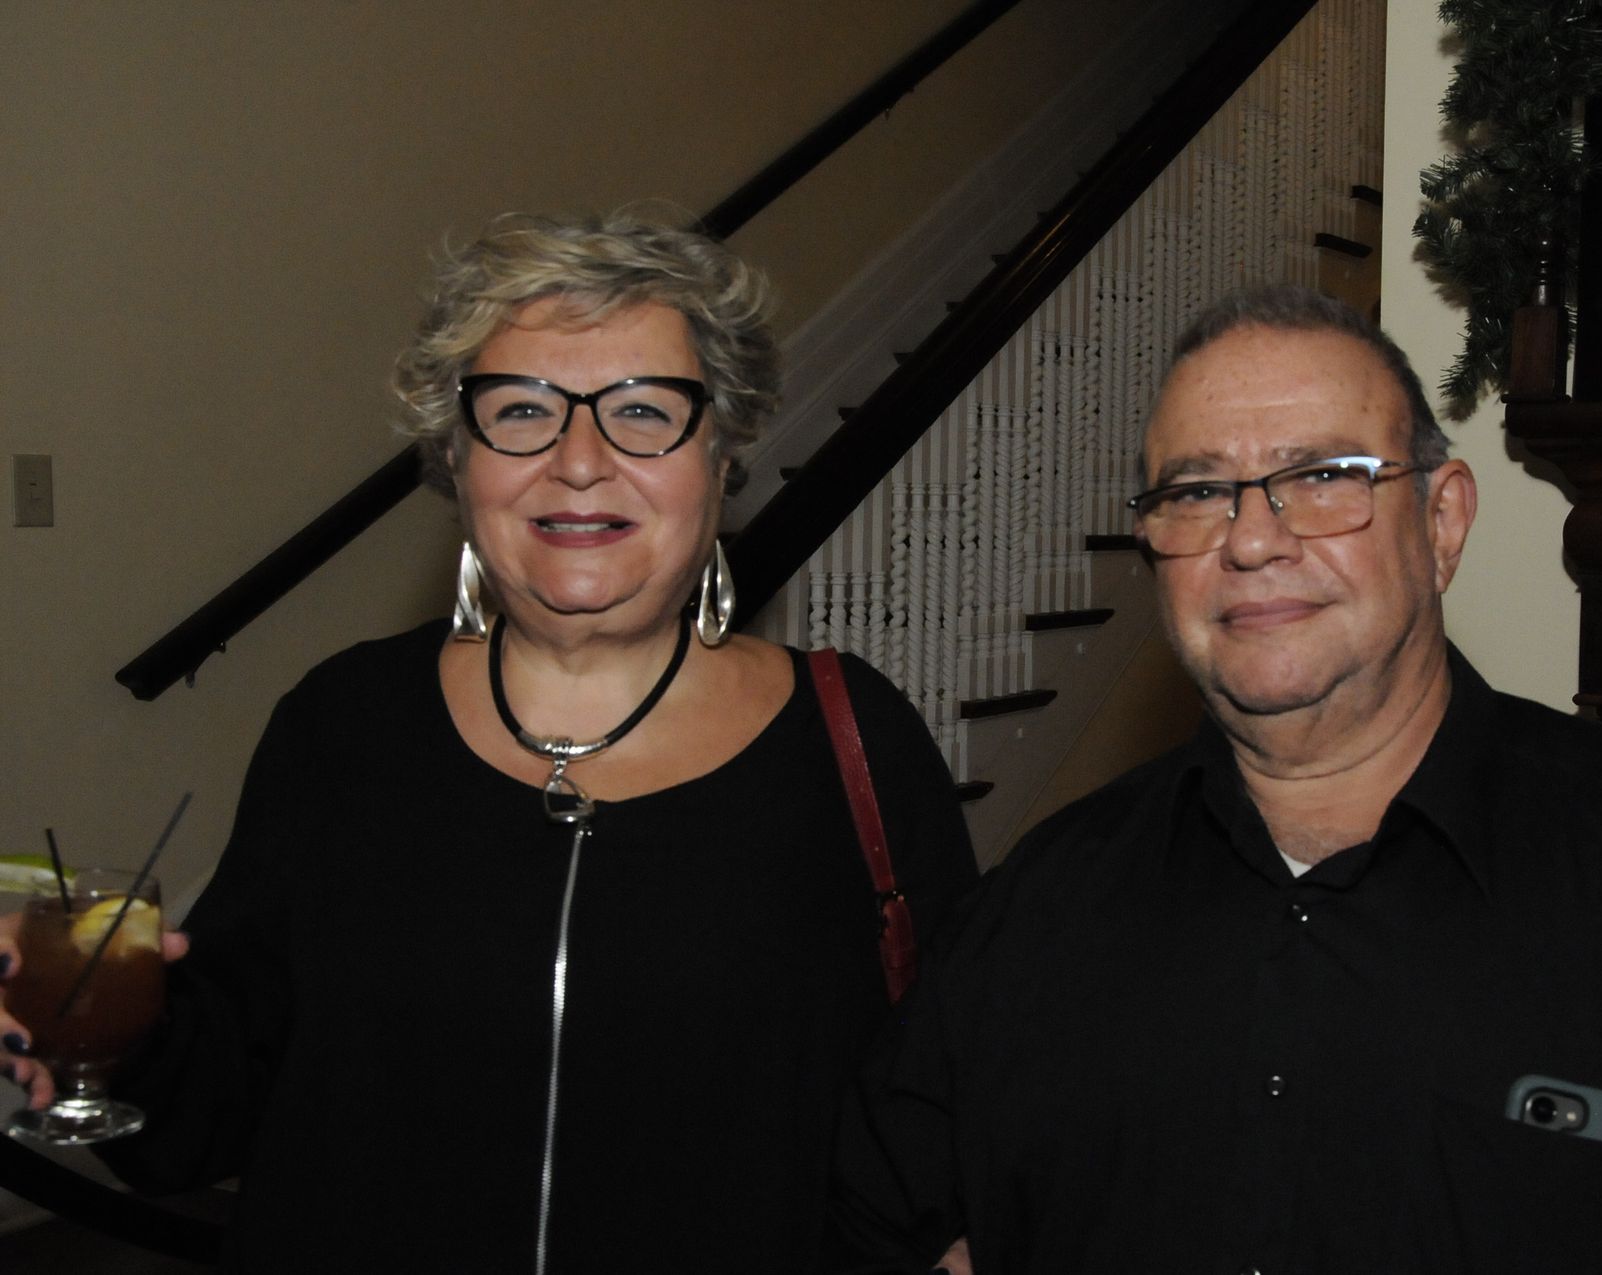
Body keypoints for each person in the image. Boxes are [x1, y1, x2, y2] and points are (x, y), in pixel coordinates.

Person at [828, 284, 1602, 1273]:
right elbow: (876, 1220)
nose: (1253, 541)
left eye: (1323, 477)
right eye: (1198, 491)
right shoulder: (1041, 909)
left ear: (1442, 522)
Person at [0, 210, 977, 1272]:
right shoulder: (343, 727)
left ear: (721, 451)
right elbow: (213, 1107)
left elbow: (943, 1111)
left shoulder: (852, 744)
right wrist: (107, 1031)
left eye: (643, 411)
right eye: (521, 411)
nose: (580, 462)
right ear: (458, 460)